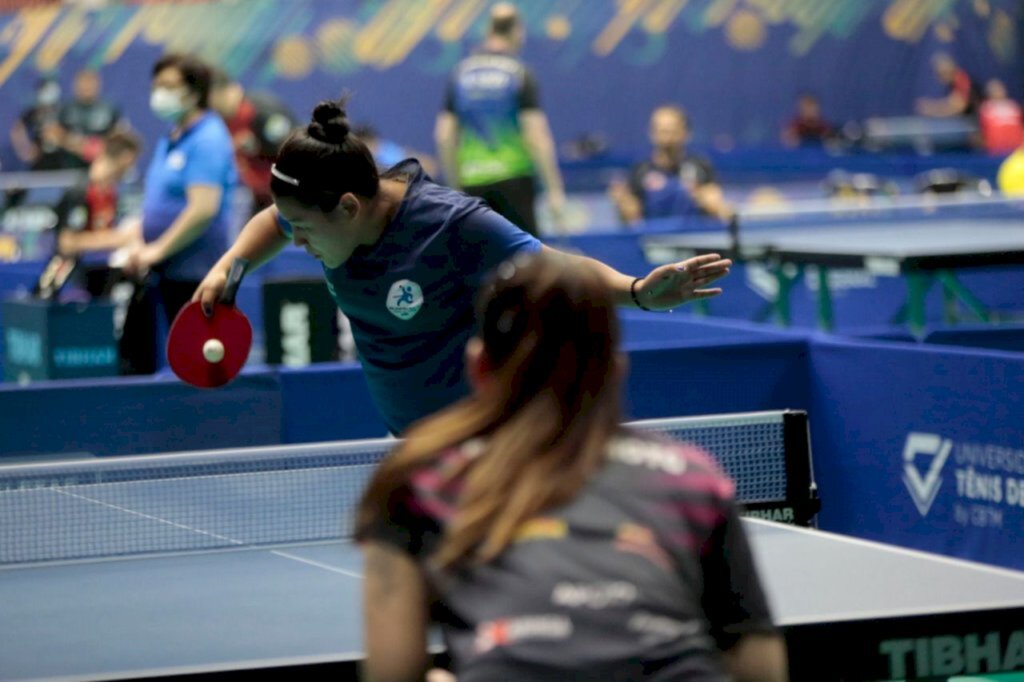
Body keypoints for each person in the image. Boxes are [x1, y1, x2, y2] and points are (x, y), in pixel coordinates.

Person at [354, 250, 788, 682]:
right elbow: (760, 670)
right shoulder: (695, 478)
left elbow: (394, 672)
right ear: (616, 370)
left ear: (478, 367)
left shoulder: (420, 481)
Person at [192, 97, 731, 435]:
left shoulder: (454, 226)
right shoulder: (322, 207)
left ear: (350, 208)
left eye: (304, 230)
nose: (297, 240)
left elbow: (552, 264)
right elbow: (271, 222)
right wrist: (229, 269)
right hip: (408, 443)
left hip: (480, 446)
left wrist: (637, 290)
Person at [121, 53, 237, 374]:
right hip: (165, 273)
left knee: (201, 367)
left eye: (169, 86)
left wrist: (155, 250)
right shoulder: (171, 138)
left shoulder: (208, 139)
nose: (159, 94)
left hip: (197, 278)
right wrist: (138, 238)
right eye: (156, 85)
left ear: (194, 91)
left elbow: (203, 210)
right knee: (159, 362)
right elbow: (158, 204)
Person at [434, 2, 565, 237]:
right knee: (525, 264)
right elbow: (537, 136)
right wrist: (554, 189)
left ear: (488, 31)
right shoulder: (519, 73)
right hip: (514, 180)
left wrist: (455, 188)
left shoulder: (461, 74)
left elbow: (444, 136)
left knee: (480, 264)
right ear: (517, 31)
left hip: (472, 181)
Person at [53, 130, 143, 296]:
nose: (131, 168)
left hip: (101, 275)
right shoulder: (81, 191)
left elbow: (101, 232)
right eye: (132, 162)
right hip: (74, 283)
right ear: (126, 157)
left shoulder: (110, 193)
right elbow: (67, 242)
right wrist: (119, 238)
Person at [608, 105, 731, 226]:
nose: (667, 138)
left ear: (685, 133)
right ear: (652, 133)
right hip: (654, 241)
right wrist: (623, 204)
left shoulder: (700, 166)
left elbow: (717, 206)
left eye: (672, 131)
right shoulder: (640, 171)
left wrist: (711, 203)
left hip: (692, 238)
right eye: (661, 131)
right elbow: (632, 217)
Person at [208, 68, 297, 216]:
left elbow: (296, 152)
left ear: (228, 91)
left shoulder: (261, 112)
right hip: (260, 197)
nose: (210, 106)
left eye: (211, 99)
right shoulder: (221, 121)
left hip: (290, 197)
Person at [9, 77, 79, 171]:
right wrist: (26, 150)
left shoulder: (64, 112)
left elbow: (74, 134)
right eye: (45, 90)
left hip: (62, 160)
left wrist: (62, 139)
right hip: (39, 162)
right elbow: (17, 129)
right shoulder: (34, 113)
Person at [56, 69, 125, 166]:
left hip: (100, 164)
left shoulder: (109, 109)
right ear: (75, 85)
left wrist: (101, 147)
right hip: (70, 164)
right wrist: (72, 144)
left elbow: (120, 134)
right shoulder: (65, 109)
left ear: (98, 84)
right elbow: (54, 133)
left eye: (90, 82)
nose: (87, 87)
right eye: (83, 82)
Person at [915, 53, 983, 119]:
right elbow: (952, 102)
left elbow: (957, 108)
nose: (939, 77)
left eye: (941, 73)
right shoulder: (954, 83)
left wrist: (931, 109)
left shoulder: (961, 80)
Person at [978, 79, 1023, 155]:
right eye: (994, 90)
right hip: (997, 151)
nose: (998, 92)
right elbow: (982, 131)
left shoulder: (1013, 106)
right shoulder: (986, 108)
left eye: (999, 89)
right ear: (989, 93)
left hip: (1017, 150)